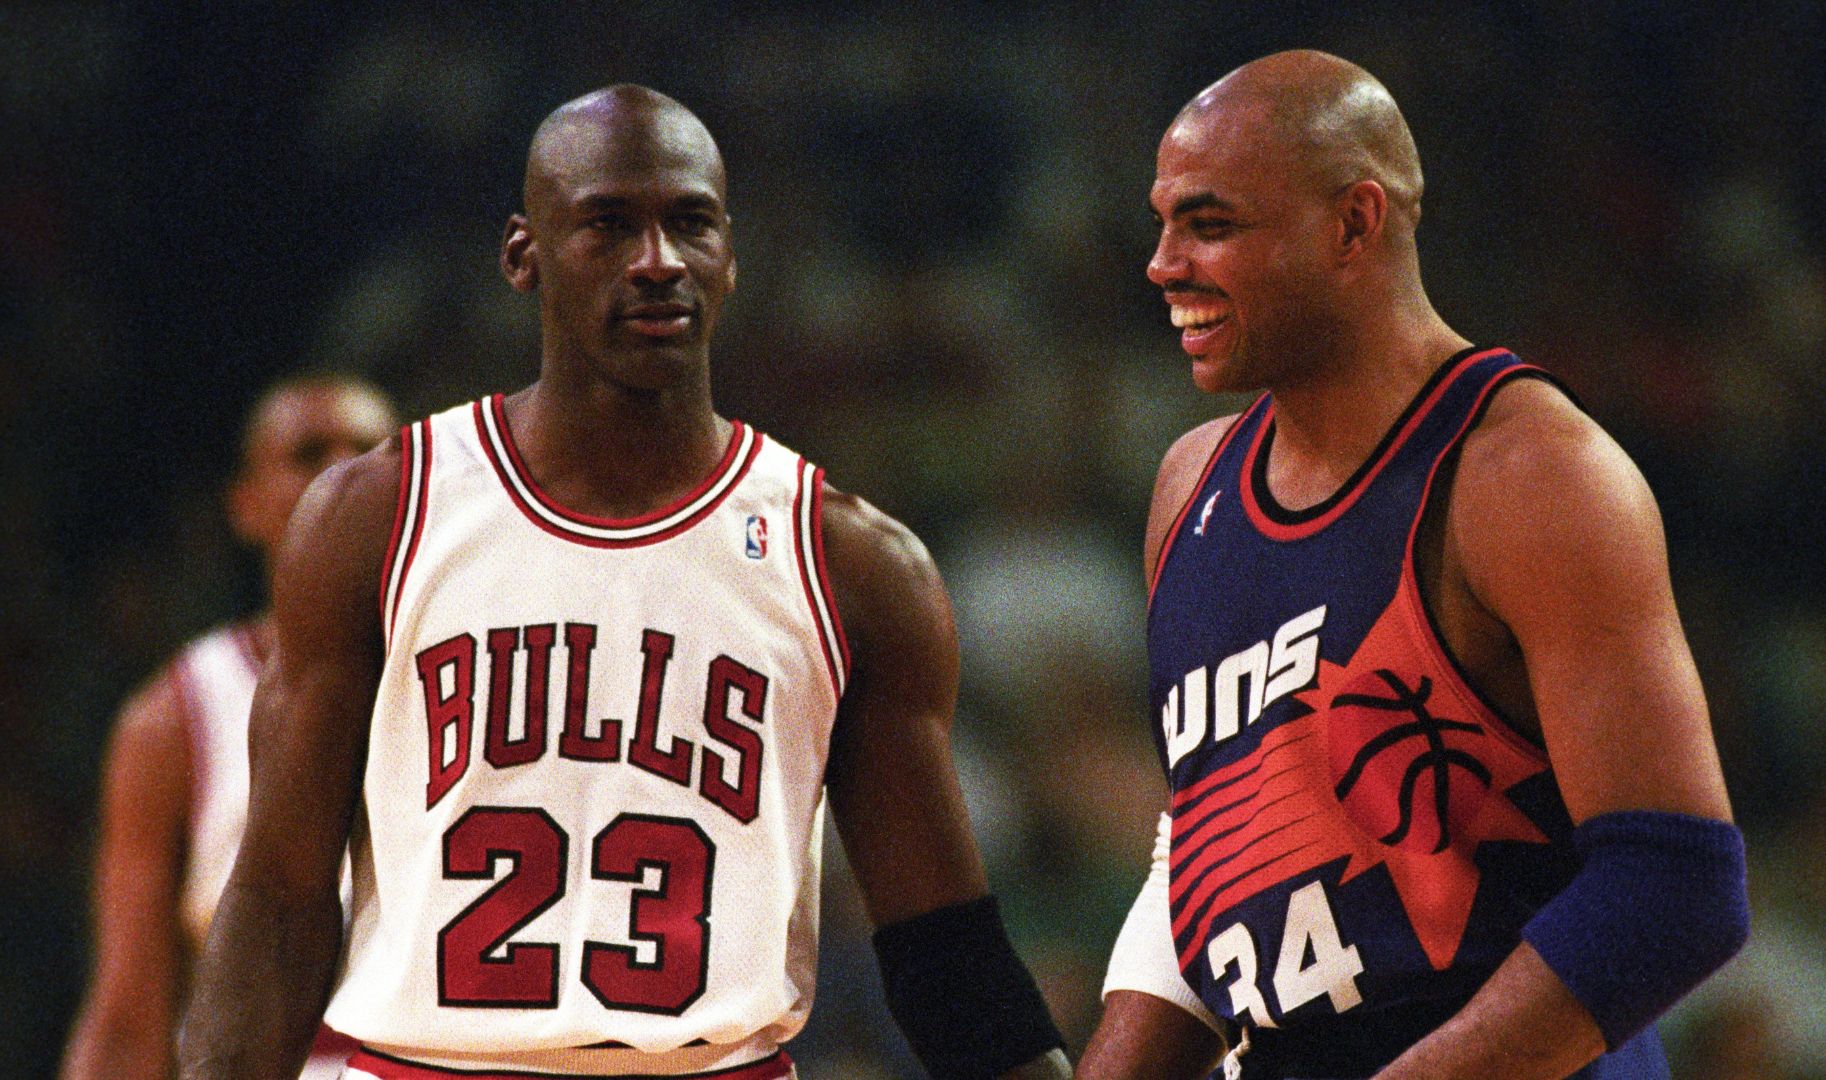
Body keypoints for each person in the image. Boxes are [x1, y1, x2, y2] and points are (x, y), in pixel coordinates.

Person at [177, 85, 1071, 1080]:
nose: (657, 261)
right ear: (523, 256)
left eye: (690, 223)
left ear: (729, 257)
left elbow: (945, 955)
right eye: (609, 225)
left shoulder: (852, 563)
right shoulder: (376, 516)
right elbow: (279, 900)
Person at [1078, 51, 1747, 1080]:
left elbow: (1675, 888)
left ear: (1354, 223)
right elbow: (1207, 852)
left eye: (1209, 225)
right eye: (1163, 223)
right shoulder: (1189, 486)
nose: (1162, 264)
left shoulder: (1528, 471)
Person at [60, 375, 399, 1080]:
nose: (343, 471)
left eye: (369, 451)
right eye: (308, 453)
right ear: (245, 506)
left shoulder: (476, 665)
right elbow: (128, 1016)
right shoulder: (173, 715)